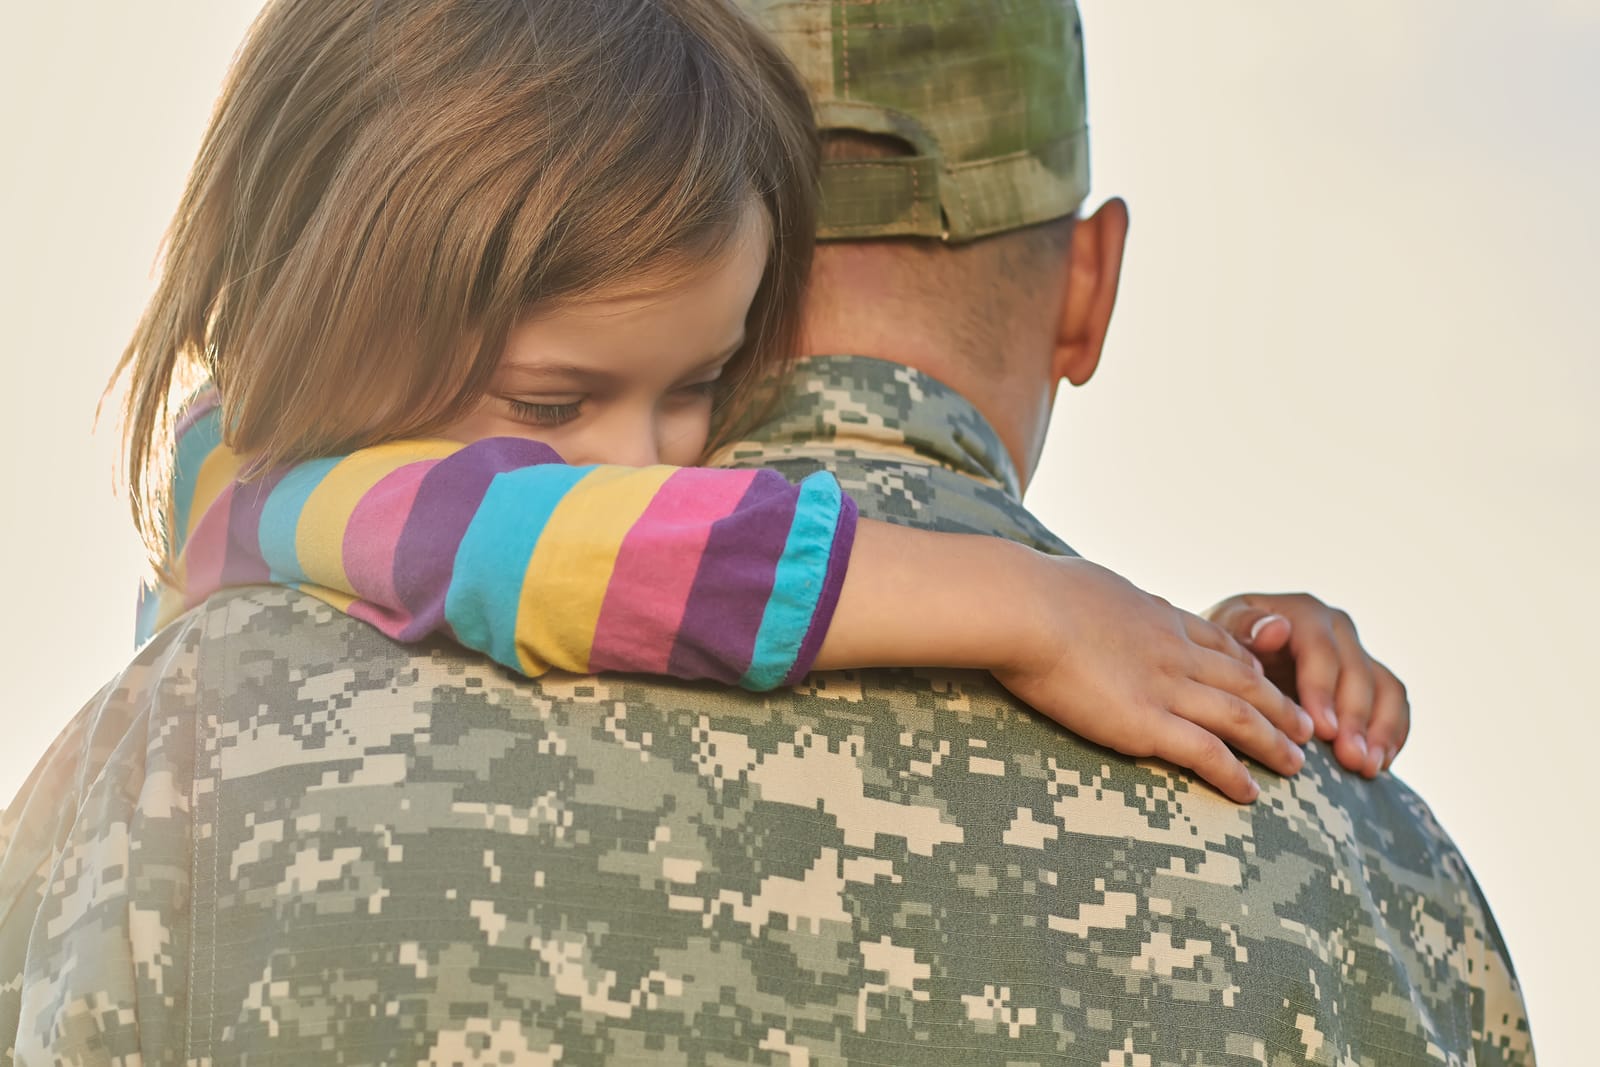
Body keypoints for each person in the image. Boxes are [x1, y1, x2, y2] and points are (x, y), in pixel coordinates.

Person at [0, 2, 1534, 1065]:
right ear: (1090, 284)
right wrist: (1041, 610)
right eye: (558, 401)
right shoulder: (1359, 855)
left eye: (690, 390)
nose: (638, 468)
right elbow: (595, 557)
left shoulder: (184, 745)